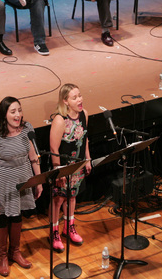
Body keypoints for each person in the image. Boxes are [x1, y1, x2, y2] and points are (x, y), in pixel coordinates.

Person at [0, 96, 43, 276]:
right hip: (4, 181)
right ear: (4, 115)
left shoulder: (27, 129)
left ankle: (14, 252)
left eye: (19, 110)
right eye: (13, 112)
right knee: (2, 217)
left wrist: (38, 180)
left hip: (23, 178)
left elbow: (33, 156)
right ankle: (2, 256)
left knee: (17, 216)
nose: (18, 115)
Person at [48, 83, 92, 252]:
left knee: (72, 197)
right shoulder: (60, 120)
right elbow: (54, 148)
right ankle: (54, 232)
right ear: (65, 101)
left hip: (78, 164)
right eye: (75, 98)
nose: (79, 100)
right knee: (59, 199)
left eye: (80, 95)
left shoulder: (84, 114)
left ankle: (69, 227)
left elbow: (85, 138)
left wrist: (87, 159)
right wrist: (58, 171)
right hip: (63, 166)